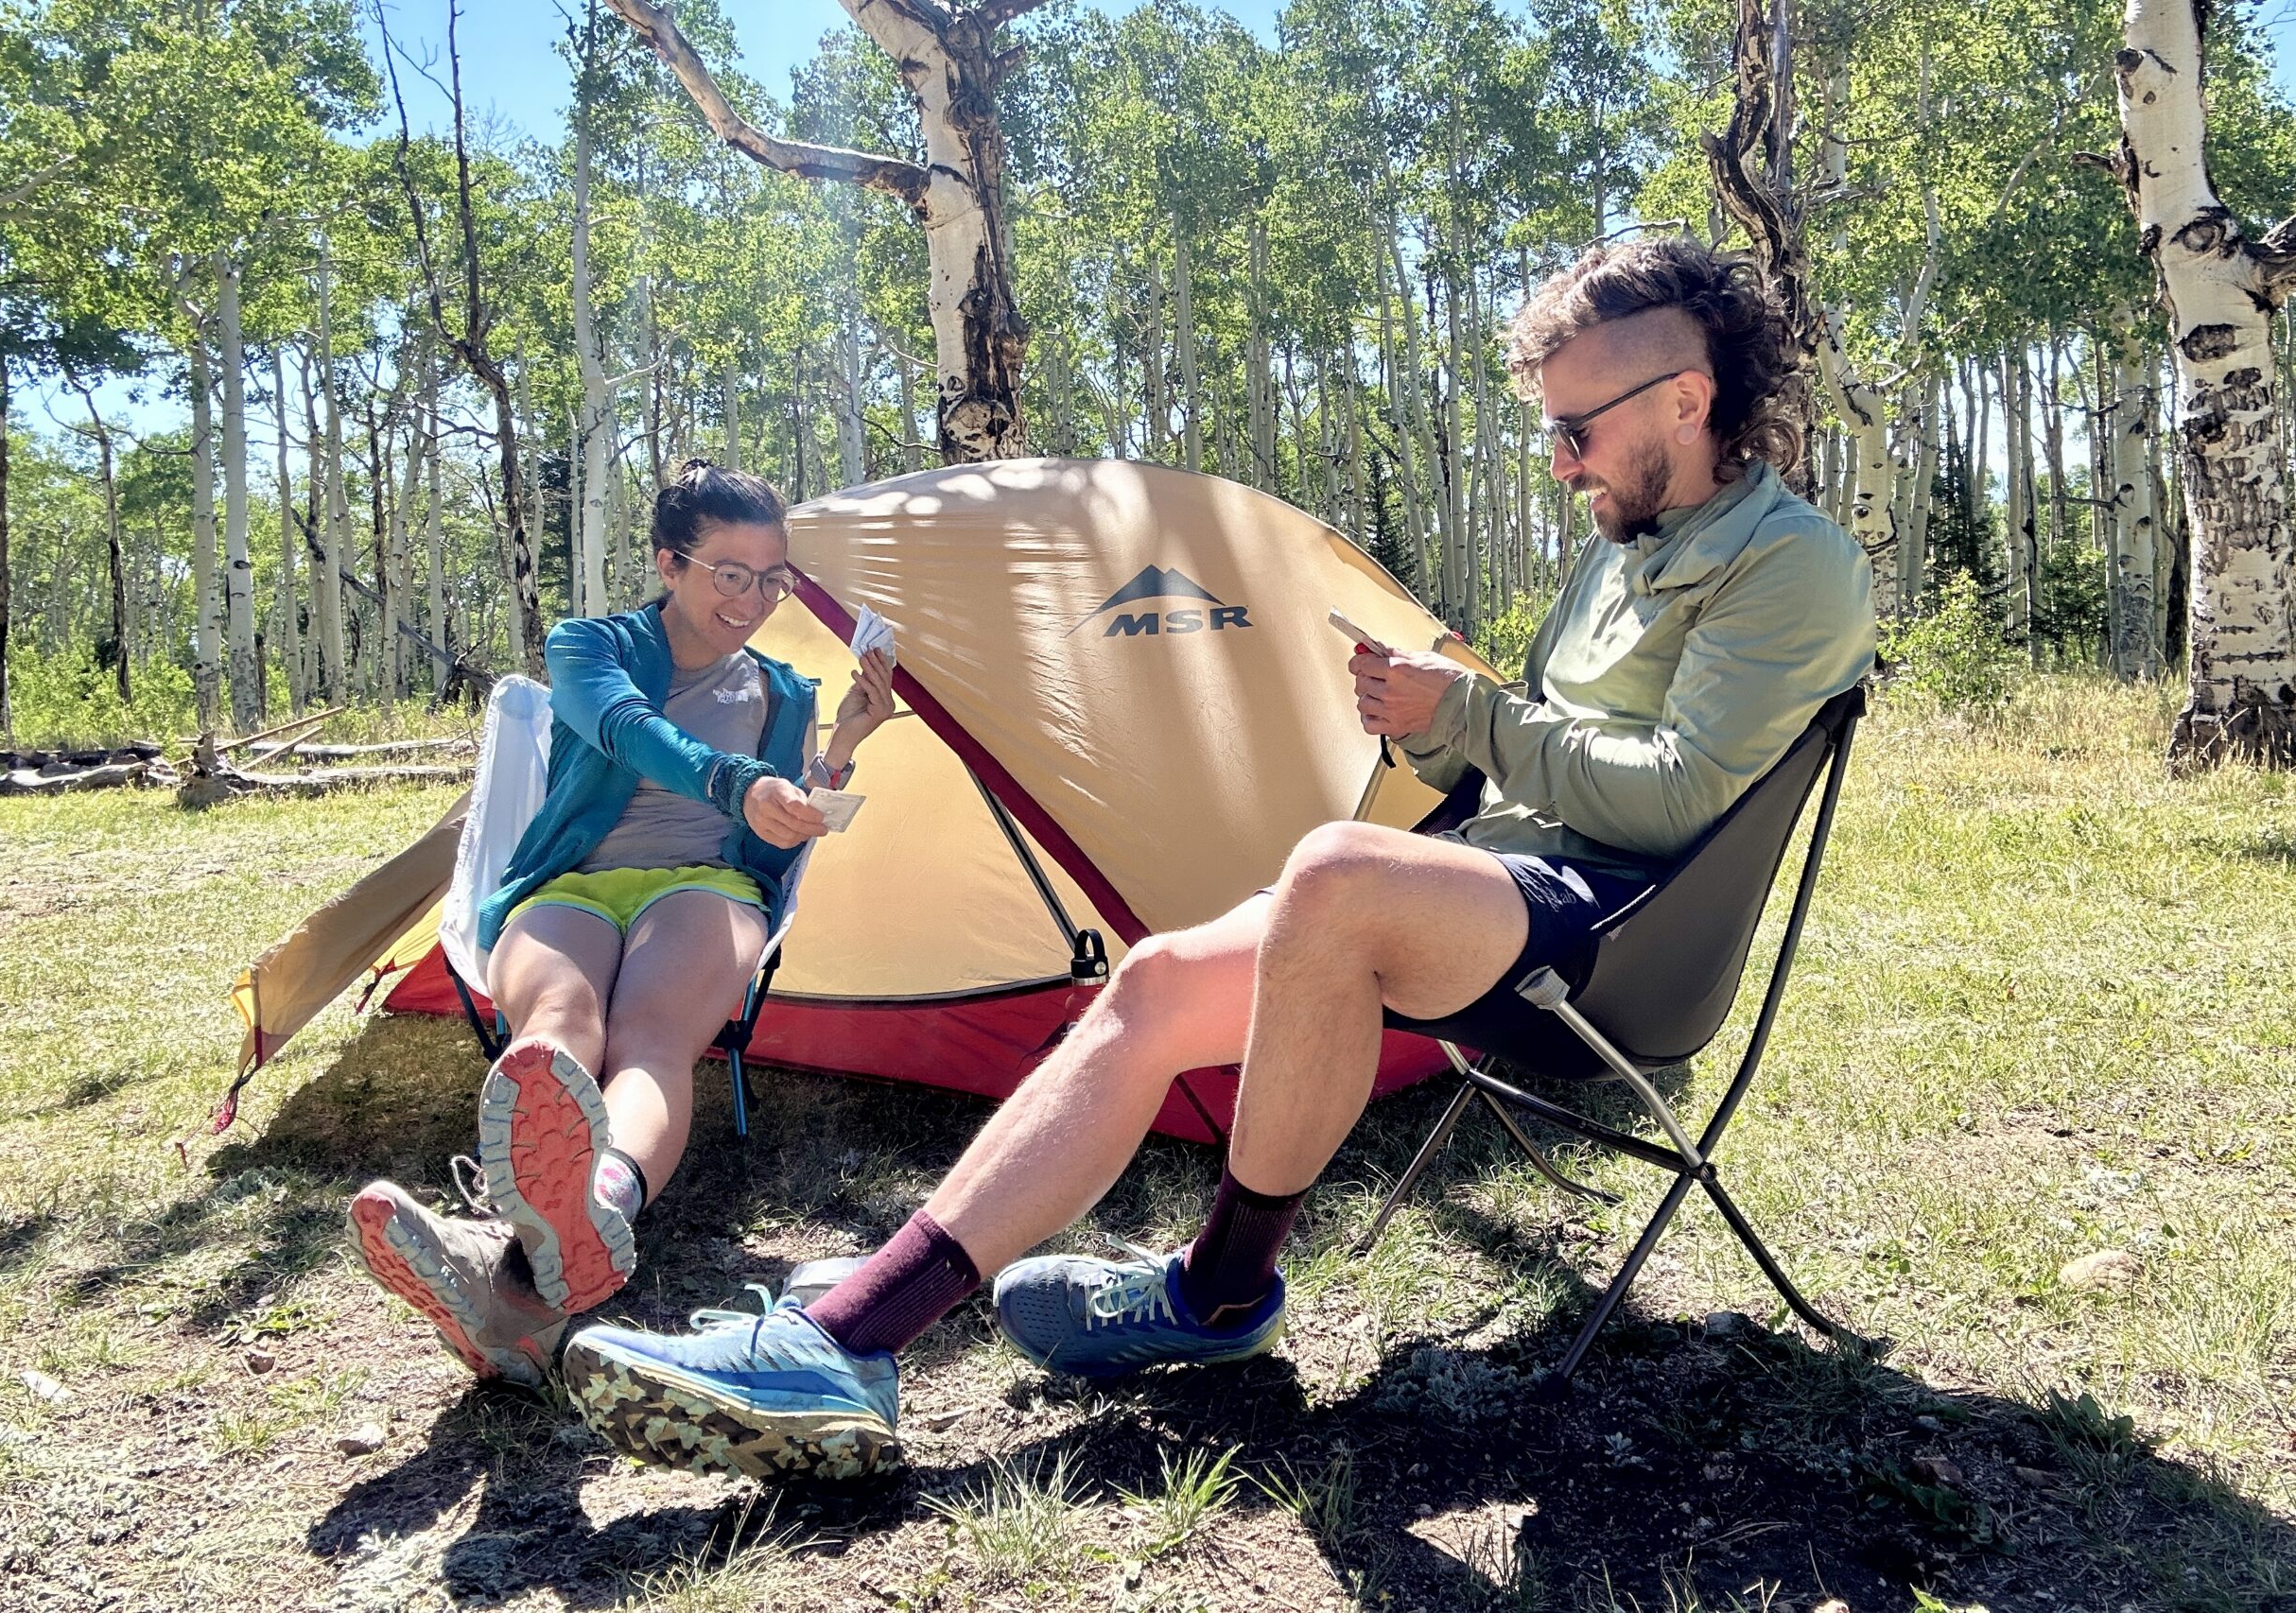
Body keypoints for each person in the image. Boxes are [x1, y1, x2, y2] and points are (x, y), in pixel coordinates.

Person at [556, 235, 1877, 1482]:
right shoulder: (1626, 555)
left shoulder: (1791, 566)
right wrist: (1424, 736)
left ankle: (1219, 1290)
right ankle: (846, 1339)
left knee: (1328, 874)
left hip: (1624, 935)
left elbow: (1672, 802)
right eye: (1550, 430)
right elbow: (1521, 765)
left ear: (1688, 398)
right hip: (1512, 889)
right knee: (1150, 977)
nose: (1559, 462)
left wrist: (1468, 714)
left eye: (1577, 429)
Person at [347, 460, 896, 1387]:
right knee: (555, 1036)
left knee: (649, 1036)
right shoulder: (588, 647)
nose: (755, 598)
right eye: (730, 572)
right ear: (668, 562)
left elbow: (782, 818)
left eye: (773, 578)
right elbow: (626, 727)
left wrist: (841, 743)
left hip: (704, 885)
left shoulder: (784, 690)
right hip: (568, 882)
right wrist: (734, 780)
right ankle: (539, 1255)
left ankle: (579, 1211)